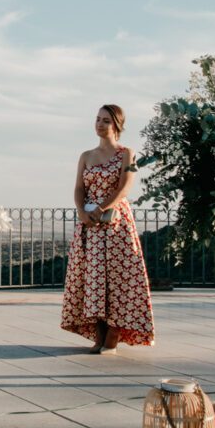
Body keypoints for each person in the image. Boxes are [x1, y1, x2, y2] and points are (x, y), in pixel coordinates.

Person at [60, 105, 154, 354]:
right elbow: (79, 187)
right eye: (97, 119)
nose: (100, 124)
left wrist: (102, 208)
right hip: (90, 225)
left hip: (115, 224)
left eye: (106, 121)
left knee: (118, 277)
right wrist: (81, 211)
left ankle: (114, 332)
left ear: (117, 125)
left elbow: (125, 187)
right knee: (92, 277)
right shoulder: (86, 156)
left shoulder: (126, 154)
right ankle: (99, 334)